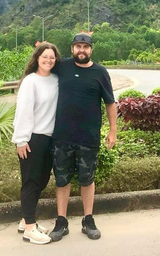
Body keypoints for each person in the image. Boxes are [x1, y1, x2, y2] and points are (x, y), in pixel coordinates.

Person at [49, 33, 117, 242]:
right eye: (78, 46)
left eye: (85, 47)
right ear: (72, 49)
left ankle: (88, 220)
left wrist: (113, 130)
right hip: (62, 135)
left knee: (87, 179)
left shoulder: (100, 72)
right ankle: (61, 221)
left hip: (88, 136)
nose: (82, 50)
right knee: (62, 179)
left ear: (91, 50)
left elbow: (110, 103)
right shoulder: (62, 67)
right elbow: (41, 71)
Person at [11, 42, 61, 245]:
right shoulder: (30, 82)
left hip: (50, 138)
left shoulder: (57, 80)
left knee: (41, 181)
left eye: (52, 57)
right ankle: (30, 230)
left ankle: (25, 220)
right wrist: (21, 140)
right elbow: (23, 111)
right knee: (31, 182)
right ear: (37, 58)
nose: (49, 60)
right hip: (33, 138)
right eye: (45, 56)